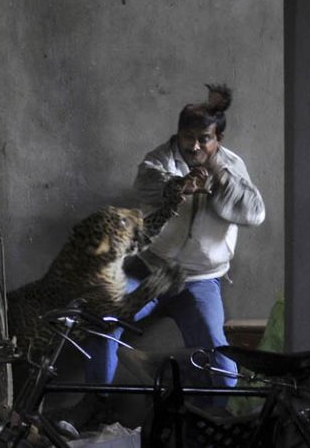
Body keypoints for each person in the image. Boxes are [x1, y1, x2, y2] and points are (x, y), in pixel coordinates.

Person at [57, 83, 266, 430]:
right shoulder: (159, 159)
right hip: (150, 270)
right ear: (178, 133)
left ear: (219, 139)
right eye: (188, 137)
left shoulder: (231, 166)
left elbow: (253, 213)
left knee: (222, 360)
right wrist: (178, 185)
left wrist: (216, 174)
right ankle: (97, 403)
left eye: (204, 139)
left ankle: (212, 421)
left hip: (201, 281)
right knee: (104, 320)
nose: (195, 146)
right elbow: (147, 183)